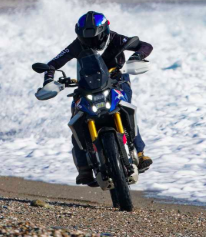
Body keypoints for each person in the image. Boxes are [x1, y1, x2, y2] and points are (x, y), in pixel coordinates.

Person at [42, 11, 154, 185]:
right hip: (87, 85)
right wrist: (49, 79)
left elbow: (145, 45)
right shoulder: (77, 44)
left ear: (103, 31)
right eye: (86, 38)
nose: (90, 42)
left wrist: (136, 57)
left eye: (94, 37)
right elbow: (52, 63)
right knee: (76, 119)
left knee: (126, 109)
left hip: (117, 80)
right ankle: (84, 168)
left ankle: (139, 152)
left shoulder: (116, 39)